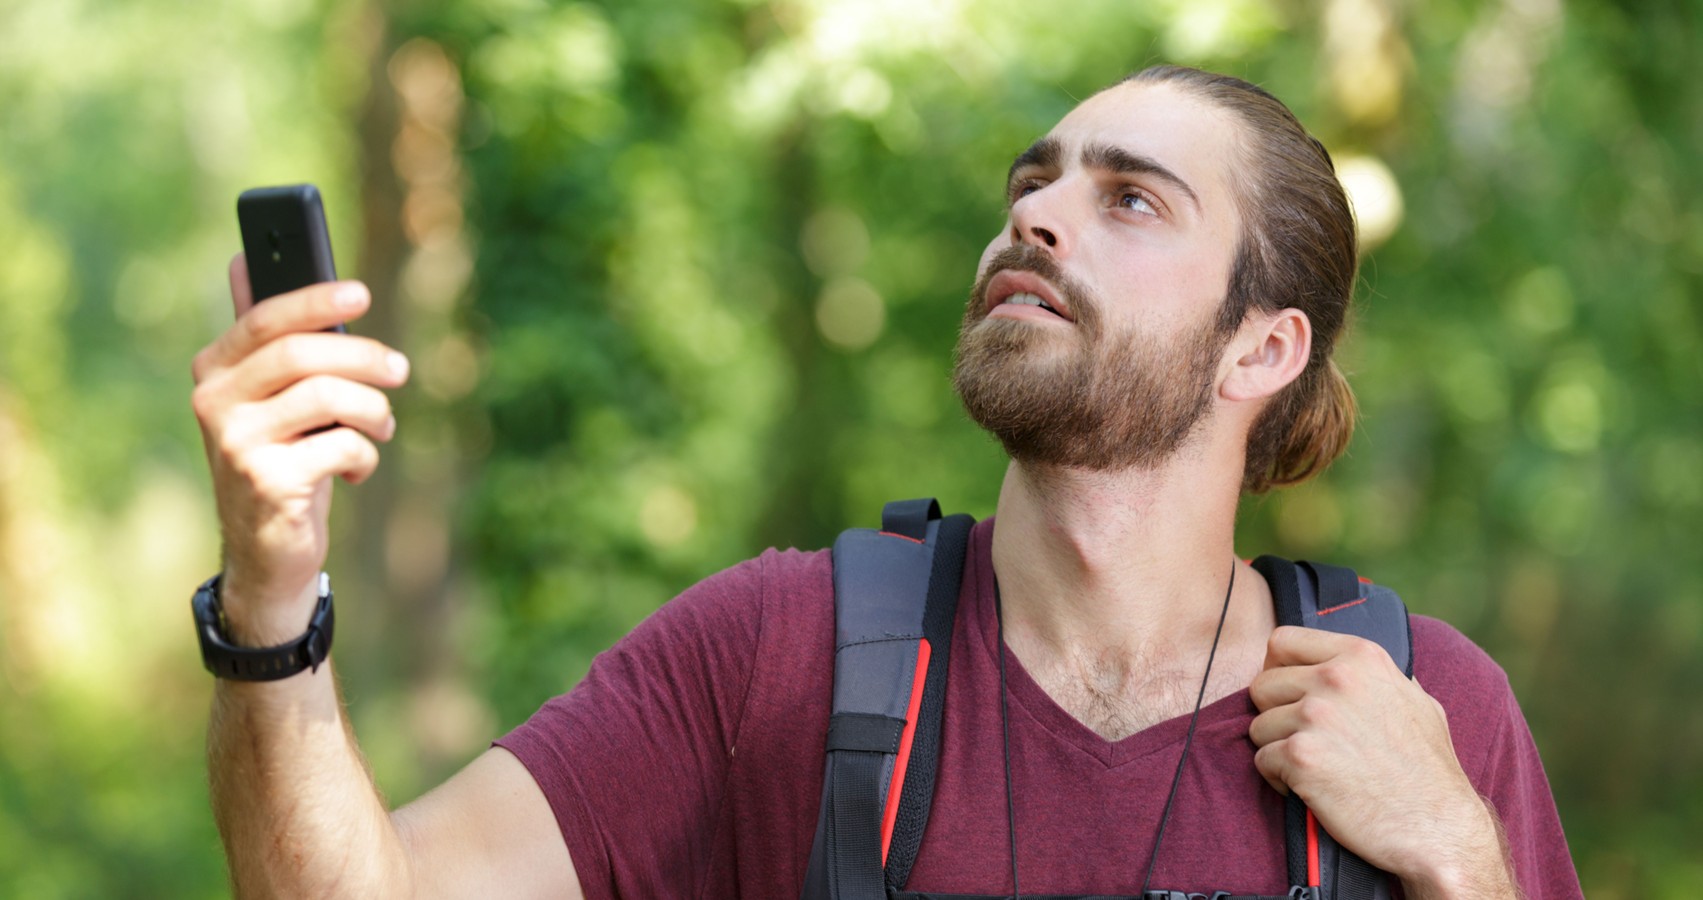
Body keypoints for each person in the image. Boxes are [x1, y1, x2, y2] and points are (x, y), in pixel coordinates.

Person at [189, 66, 1582, 898]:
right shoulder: (784, 655)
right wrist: (272, 589)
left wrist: (1460, 853)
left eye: (1130, 199)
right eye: (1034, 183)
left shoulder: (1427, 707)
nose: (1033, 215)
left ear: (1260, 348)